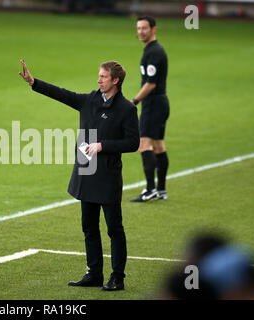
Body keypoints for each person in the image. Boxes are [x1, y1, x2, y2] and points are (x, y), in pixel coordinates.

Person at [19, 59, 139, 291]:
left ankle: (117, 278)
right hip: (87, 172)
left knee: (114, 228)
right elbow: (63, 94)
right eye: (99, 76)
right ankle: (94, 274)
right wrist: (34, 82)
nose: (99, 80)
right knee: (89, 226)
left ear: (116, 80)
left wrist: (103, 145)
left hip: (107, 176)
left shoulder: (126, 109)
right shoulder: (90, 100)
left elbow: (133, 142)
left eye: (103, 77)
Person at [130, 16, 170, 202]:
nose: (140, 32)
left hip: (153, 104)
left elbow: (151, 83)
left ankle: (150, 189)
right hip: (161, 102)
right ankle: (161, 189)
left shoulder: (153, 53)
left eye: (144, 28)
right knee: (158, 146)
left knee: (143, 145)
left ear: (153, 29)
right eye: (138, 28)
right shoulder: (154, 50)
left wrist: (135, 101)